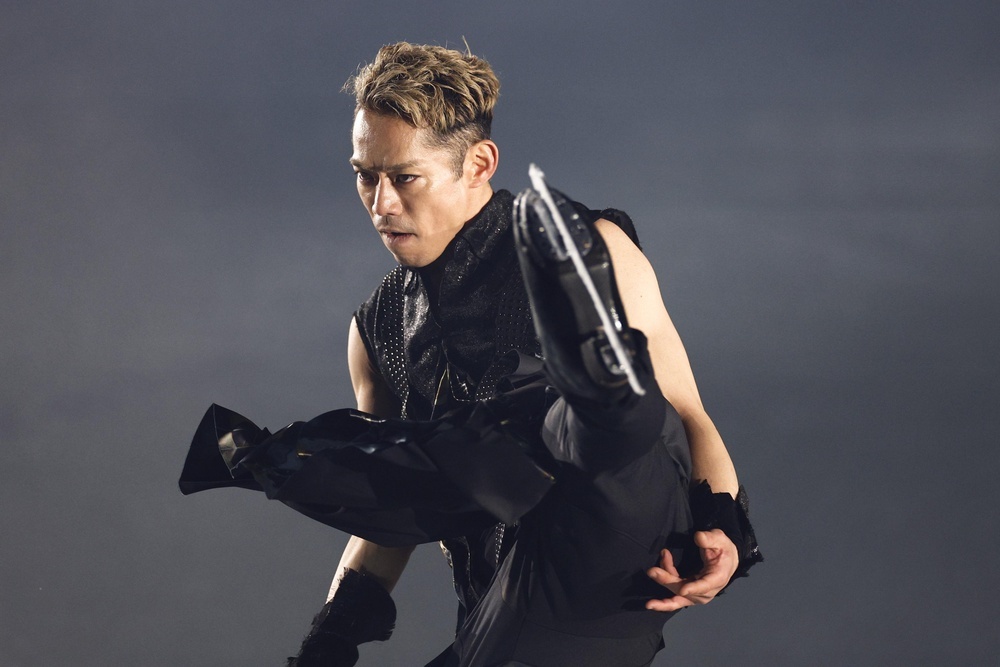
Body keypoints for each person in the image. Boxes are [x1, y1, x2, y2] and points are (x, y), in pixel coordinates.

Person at [179, 42, 760, 666]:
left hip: (602, 561)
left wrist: (723, 529)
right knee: (415, 459)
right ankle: (585, 392)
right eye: (365, 176)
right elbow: (391, 499)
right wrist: (330, 641)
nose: (381, 203)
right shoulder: (377, 329)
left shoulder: (596, 248)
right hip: (502, 610)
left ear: (478, 164)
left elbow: (687, 413)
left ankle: (597, 376)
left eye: (404, 178)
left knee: (594, 426)